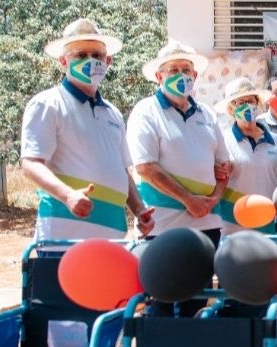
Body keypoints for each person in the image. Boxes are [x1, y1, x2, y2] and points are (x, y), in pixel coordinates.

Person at [21, 18, 153, 243]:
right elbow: (31, 164)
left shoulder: (113, 113)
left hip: (113, 236)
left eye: (97, 55)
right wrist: (68, 195)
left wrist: (139, 210)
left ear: (108, 61)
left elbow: (122, 171)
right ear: (63, 61)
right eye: (81, 55)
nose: (91, 61)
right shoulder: (48, 103)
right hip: (64, 237)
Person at [127, 40, 229, 245]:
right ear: (159, 77)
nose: (181, 75)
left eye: (186, 70)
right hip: (164, 225)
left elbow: (225, 167)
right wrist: (189, 200)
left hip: (208, 223)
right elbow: (145, 167)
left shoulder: (206, 113)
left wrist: (214, 199)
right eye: (173, 70)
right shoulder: (146, 111)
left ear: (195, 75)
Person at [213, 78, 277, 235]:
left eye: (250, 101)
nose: (247, 106)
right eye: (240, 103)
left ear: (257, 103)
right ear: (231, 109)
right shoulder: (222, 140)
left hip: (267, 226)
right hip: (232, 227)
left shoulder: (276, 141)